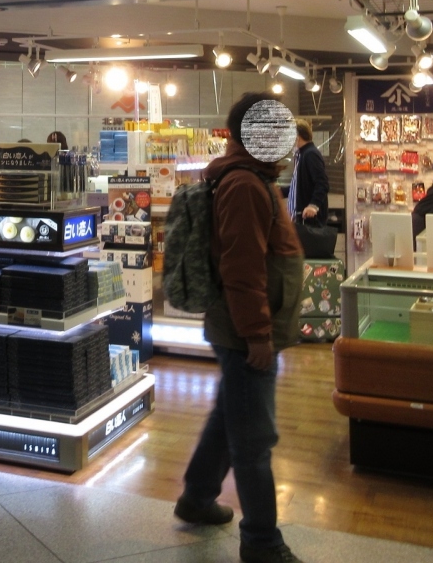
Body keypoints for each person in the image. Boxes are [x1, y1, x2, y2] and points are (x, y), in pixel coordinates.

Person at [176, 93, 306, 563]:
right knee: (254, 439)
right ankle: (261, 542)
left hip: (239, 326)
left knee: (230, 413)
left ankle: (197, 497)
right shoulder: (246, 185)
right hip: (243, 331)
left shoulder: (252, 178)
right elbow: (243, 267)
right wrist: (257, 335)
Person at [286, 119, 328, 224]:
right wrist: (278, 191)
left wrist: (313, 205)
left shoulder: (310, 154)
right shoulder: (301, 155)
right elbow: (299, 187)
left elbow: (322, 183)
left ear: (297, 137)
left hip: (309, 221)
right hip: (299, 218)